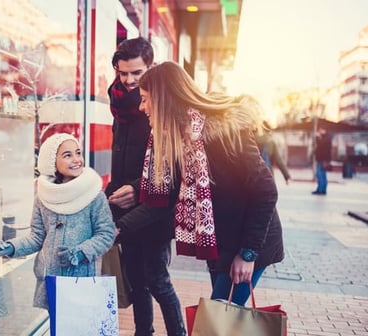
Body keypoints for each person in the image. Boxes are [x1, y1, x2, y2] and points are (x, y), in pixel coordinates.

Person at [137, 61, 285, 306]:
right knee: (224, 321)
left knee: (218, 321)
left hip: (248, 245)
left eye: (145, 99)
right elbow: (168, 198)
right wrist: (120, 224)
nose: (142, 107)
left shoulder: (224, 134)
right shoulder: (182, 139)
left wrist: (248, 254)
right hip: (220, 245)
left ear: (163, 99)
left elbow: (266, 192)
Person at [105, 37, 186, 336]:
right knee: (136, 280)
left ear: (150, 70)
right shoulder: (118, 105)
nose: (127, 81)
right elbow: (120, 156)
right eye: (122, 73)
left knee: (158, 281)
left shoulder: (160, 108)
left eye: (136, 74)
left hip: (154, 206)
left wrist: (137, 189)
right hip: (125, 204)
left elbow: (169, 171)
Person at [0, 133, 115, 310]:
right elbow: (37, 237)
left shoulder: (94, 194)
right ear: (51, 162)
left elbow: (106, 234)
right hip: (50, 280)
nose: (76, 159)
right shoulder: (43, 197)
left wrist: (80, 252)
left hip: (80, 281)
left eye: (78, 153)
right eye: (67, 155)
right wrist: (11, 247)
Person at [313, 127, 331, 195]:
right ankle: (321, 189)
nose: (319, 131)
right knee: (321, 174)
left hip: (323, 159)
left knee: (320, 174)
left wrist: (318, 137)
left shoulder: (327, 138)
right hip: (321, 159)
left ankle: (321, 190)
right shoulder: (324, 137)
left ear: (324, 130)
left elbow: (321, 145)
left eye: (320, 130)